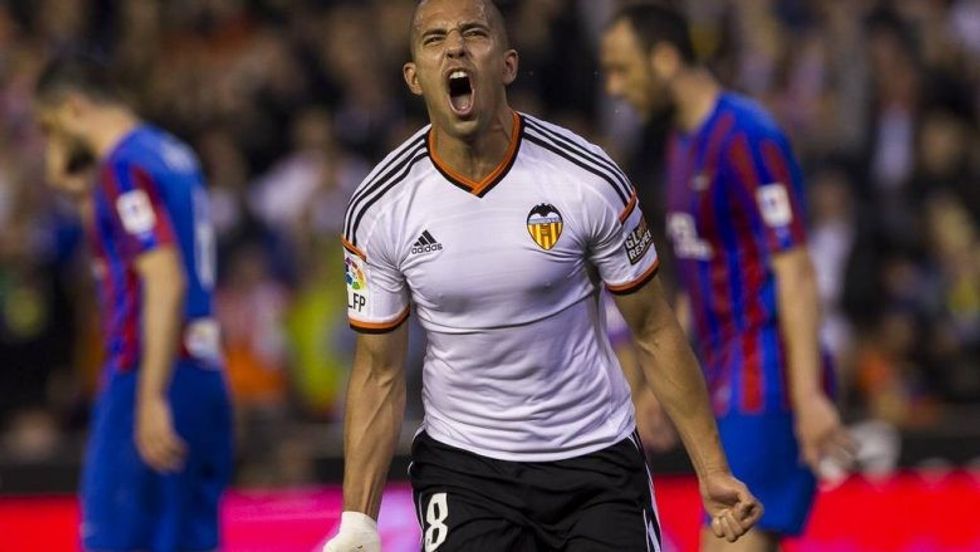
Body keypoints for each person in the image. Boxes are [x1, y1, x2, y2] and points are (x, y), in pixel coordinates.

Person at [325, 1, 762, 551]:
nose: (455, 48)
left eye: (473, 33)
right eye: (434, 40)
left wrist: (711, 470)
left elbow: (654, 328)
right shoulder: (381, 209)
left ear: (508, 65)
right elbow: (377, 374)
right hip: (465, 470)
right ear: (414, 78)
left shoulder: (587, 179)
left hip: (593, 458)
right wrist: (357, 521)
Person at [600, 4, 855, 551]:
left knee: (728, 538)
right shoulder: (681, 144)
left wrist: (808, 396)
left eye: (623, 69)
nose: (616, 87)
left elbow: (797, 270)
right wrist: (657, 388)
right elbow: (696, 280)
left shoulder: (748, 136)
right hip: (723, 379)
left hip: (768, 378)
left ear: (665, 59)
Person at [34, 55, 232, 552]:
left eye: (48, 128)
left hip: (150, 371)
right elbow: (126, 252)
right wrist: (80, 194)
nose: (50, 144)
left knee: (114, 538)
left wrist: (150, 397)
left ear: (72, 107)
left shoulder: (122, 167)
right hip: (204, 371)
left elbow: (162, 278)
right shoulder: (172, 156)